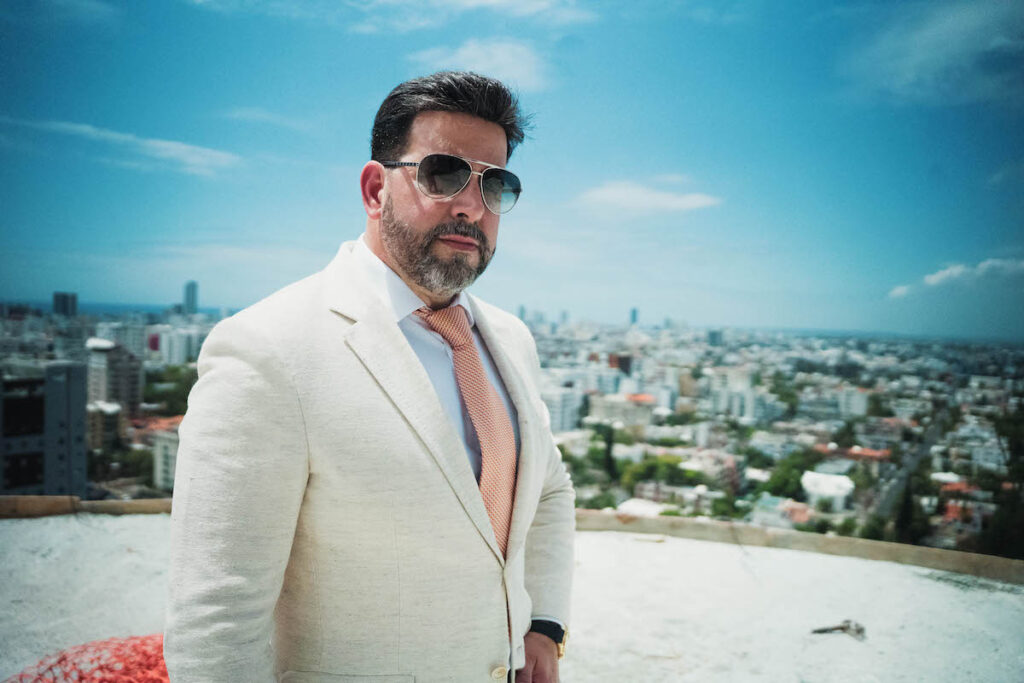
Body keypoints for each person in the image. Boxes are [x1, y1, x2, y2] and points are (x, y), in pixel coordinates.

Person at [164, 71, 575, 683]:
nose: (470, 205)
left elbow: (547, 490)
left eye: (495, 185)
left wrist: (543, 625)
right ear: (375, 189)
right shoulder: (269, 349)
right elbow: (216, 621)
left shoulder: (510, 341)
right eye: (444, 174)